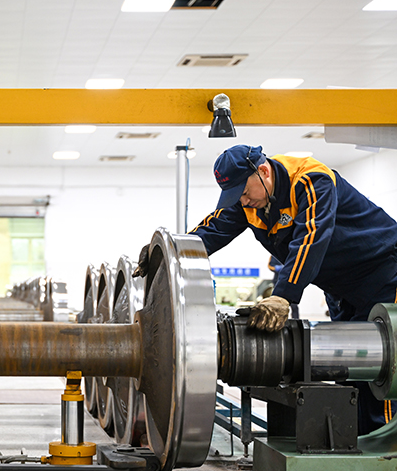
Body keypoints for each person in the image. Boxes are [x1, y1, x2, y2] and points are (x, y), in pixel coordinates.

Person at [136, 144, 397, 434]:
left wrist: (282, 297)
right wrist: (169, 254)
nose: (244, 201)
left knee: (383, 370)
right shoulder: (250, 203)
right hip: (340, 289)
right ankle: (361, 442)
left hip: (383, 274)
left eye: (245, 192)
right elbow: (212, 230)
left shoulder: (312, 180)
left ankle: (385, 451)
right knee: (350, 371)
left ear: (263, 171)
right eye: (237, 197)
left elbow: (311, 239)